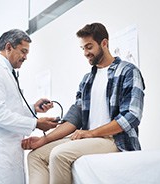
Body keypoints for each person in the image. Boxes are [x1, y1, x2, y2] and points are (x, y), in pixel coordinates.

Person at [21, 22, 145, 184]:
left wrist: (91, 133)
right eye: (83, 49)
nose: (86, 53)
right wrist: (43, 140)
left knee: (59, 155)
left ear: (104, 43)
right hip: (88, 138)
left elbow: (131, 117)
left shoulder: (128, 71)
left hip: (115, 140)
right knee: (36, 156)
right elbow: (74, 118)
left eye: (89, 47)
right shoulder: (87, 80)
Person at [0, 29, 59, 184]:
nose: (25, 57)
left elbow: (9, 109)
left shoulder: (7, 72)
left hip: (7, 151)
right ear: (9, 47)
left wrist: (33, 108)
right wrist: (36, 123)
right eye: (23, 52)